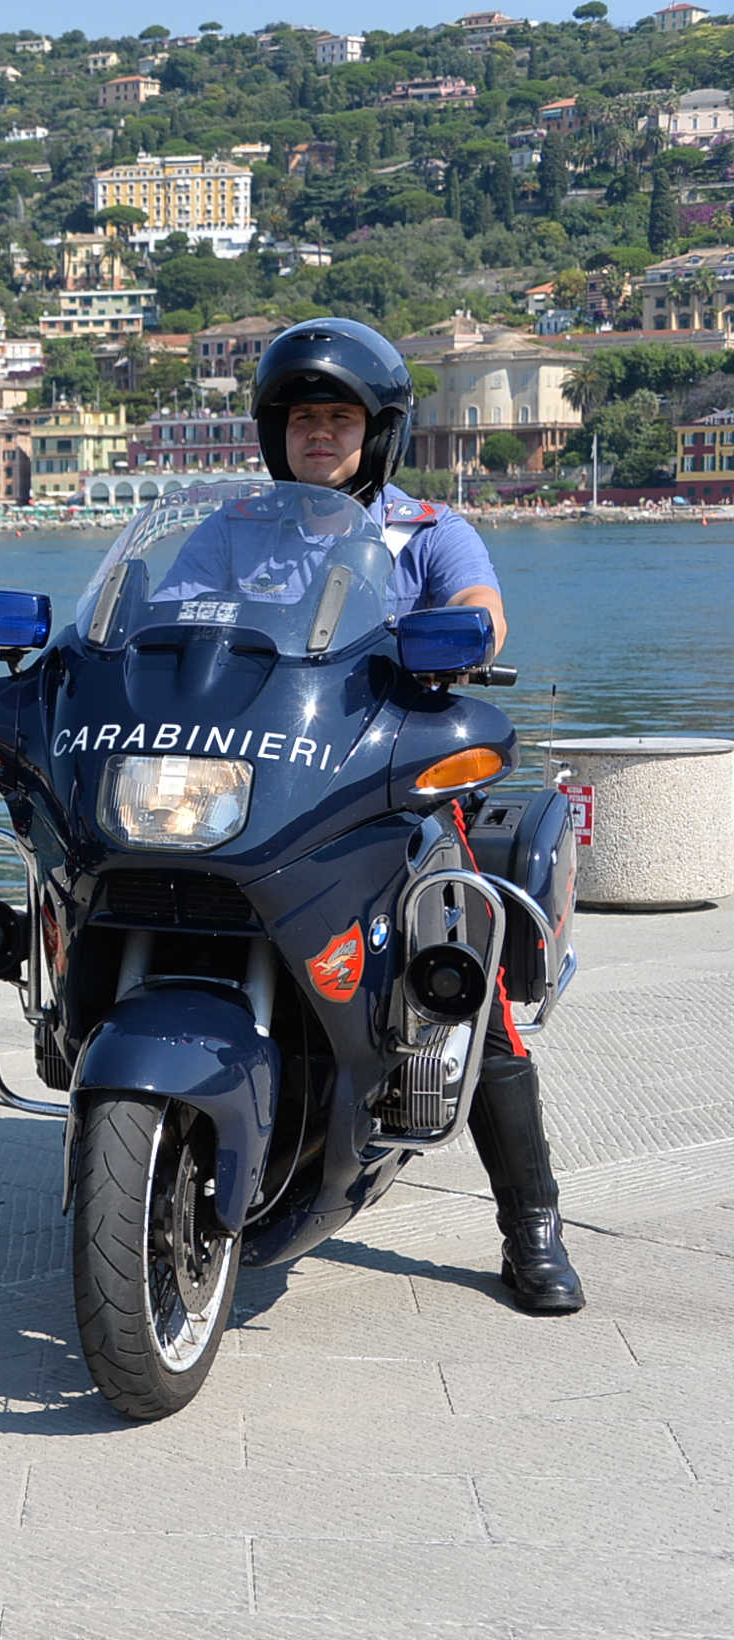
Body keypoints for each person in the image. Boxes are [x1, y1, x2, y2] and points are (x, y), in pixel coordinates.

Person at [252, 316, 584, 1315]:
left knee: (458, 978)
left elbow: (482, 609)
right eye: (304, 416)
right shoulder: (234, 534)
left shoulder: (428, 530)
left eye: (338, 416)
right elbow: (159, 610)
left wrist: (466, 632)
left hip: (388, 787)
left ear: (375, 431)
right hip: (262, 782)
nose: (320, 433)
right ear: (277, 432)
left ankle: (530, 1224)